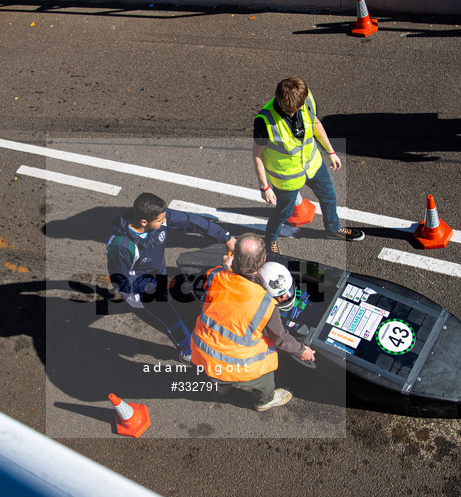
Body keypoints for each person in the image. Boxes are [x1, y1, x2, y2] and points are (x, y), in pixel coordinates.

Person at [107, 192, 237, 364]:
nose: (165, 222)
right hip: (142, 290)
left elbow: (190, 220)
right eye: (160, 221)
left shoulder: (158, 218)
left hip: (158, 277)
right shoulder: (122, 246)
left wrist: (225, 236)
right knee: (173, 320)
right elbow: (121, 280)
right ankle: (186, 352)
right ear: (144, 222)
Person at [191, 234, 315, 411]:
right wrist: (302, 351)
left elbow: (216, 274)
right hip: (232, 364)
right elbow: (279, 337)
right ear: (264, 259)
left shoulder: (217, 276)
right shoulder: (265, 303)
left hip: (201, 351)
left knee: (219, 371)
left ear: (235, 258)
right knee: (266, 370)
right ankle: (264, 401)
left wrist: (225, 265)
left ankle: (222, 386)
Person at [252, 77, 364, 254]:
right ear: (279, 100)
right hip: (287, 177)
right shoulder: (264, 121)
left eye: (296, 109)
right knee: (283, 213)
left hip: (313, 165)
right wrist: (264, 186)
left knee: (329, 196)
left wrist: (331, 151)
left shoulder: (307, 99)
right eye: (288, 110)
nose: (292, 113)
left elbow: (315, 123)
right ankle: (270, 240)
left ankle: (333, 229)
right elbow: (256, 155)